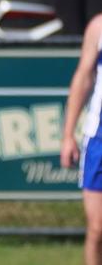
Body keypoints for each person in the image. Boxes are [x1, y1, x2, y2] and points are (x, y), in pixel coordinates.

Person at [61, 13, 102, 265]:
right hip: (98, 139)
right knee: (97, 229)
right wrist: (68, 135)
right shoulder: (98, 27)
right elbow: (83, 78)